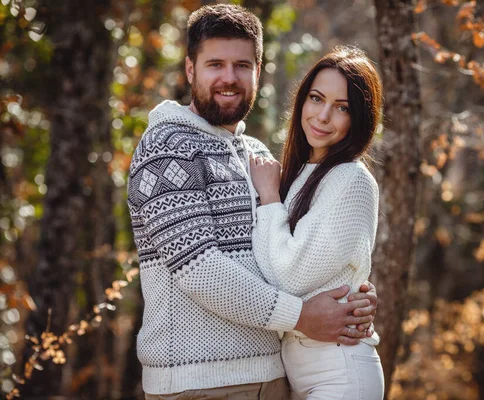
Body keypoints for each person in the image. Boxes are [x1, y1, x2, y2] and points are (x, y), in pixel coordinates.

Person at [126, 5, 378, 399]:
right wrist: (303, 317)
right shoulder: (166, 148)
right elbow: (199, 269)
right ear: (190, 69)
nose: (229, 78)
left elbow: (293, 254)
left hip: (275, 376)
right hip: (200, 384)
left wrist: (351, 291)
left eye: (242, 65)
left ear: (258, 71)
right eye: (215, 64)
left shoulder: (257, 156)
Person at [249, 46, 385, 399]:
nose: (323, 116)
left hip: (338, 369)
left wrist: (269, 198)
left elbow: (288, 276)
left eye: (342, 108)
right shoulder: (299, 175)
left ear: (359, 118)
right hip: (301, 367)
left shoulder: (351, 180)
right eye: (316, 98)